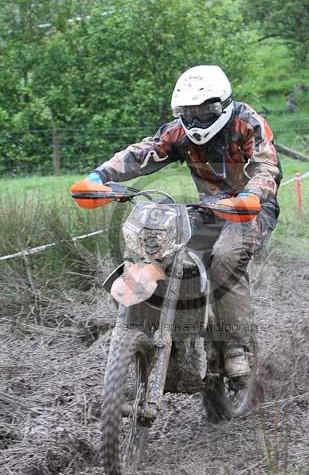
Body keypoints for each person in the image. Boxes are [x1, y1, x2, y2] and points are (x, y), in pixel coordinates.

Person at [71, 65, 282, 380]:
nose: (196, 117)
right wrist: (99, 176)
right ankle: (149, 330)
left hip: (252, 208)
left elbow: (266, 165)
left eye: (203, 108)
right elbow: (143, 151)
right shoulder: (178, 132)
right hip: (208, 208)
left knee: (225, 258)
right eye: (188, 110)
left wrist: (251, 195)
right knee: (158, 246)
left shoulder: (248, 123)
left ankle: (235, 346)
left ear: (221, 104)